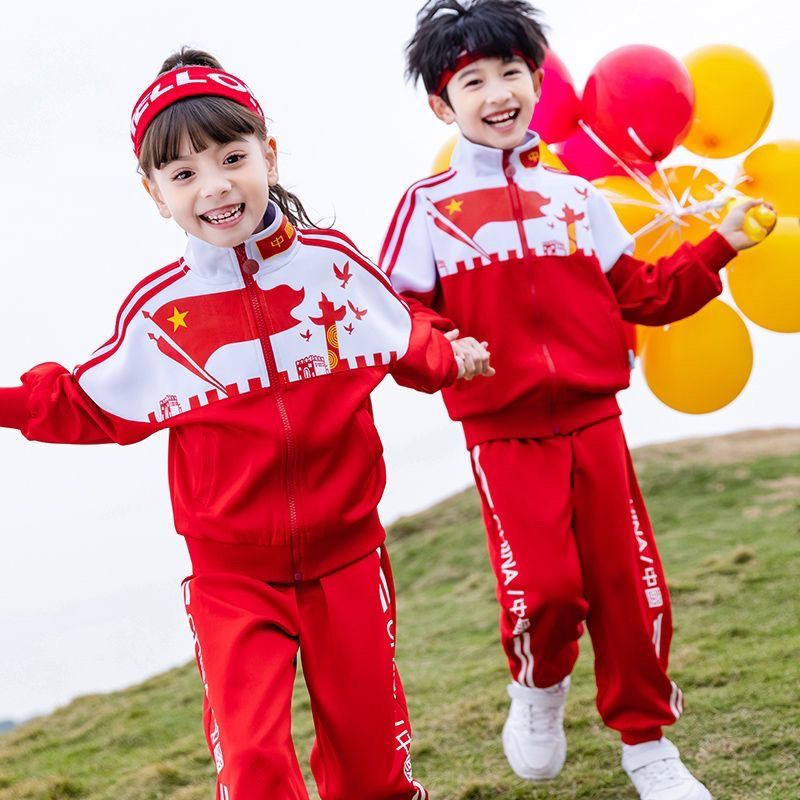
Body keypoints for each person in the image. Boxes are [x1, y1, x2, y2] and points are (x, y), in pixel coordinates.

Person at [0, 47, 492, 800]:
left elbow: (398, 332)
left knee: (371, 770)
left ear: (269, 152)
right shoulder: (161, 316)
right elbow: (78, 402)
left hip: (349, 561)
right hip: (233, 580)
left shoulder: (332, 267)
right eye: (184, 173)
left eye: (231, 156)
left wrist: (449, 358)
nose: (216, 185)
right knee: (256, 769)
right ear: (155, 193)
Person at [379, 3, 775, 799]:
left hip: (597, 420)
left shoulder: (577, 199)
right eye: (473, 81)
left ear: (536, 79)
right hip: (504, 435)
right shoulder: (427, 209)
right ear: (441, 104)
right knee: (549, 593)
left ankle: (647, 746)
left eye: (512, 73)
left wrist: (721, 241)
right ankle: (538, 690)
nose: (498, 93)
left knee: (631, 588)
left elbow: (646, 294)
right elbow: (400, 320)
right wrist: (444, 352)